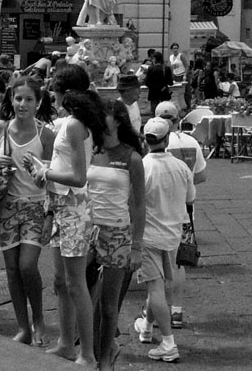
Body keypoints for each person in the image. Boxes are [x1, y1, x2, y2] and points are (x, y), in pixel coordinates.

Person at [26, 64, 105, 366]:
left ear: (65, 92)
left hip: (73, 207)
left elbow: (79, 176)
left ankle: (86, 352)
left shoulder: (73, 125)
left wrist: (45, 172)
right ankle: (66, 343)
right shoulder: (72, 122)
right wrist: (44, 168)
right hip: (61, 205)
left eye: (54, 88)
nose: (51, 94)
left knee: (75, 282)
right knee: (61, 281)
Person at [0, 75, 55, 347]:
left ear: (38, 102)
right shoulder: (1, 127)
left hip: (35, 206)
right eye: (18, 98)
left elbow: (52, 179)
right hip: (7, 205)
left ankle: (39, 319)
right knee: (12, 269)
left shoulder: (46, 134)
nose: (22, 104)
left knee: (27, 266)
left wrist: (50, 215)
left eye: (28, 99)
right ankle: (23, 326)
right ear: (11, 99)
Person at [88, 100, 146, 371]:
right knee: (82, 294)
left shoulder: (132, 158)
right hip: (89, 231)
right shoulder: (91, 150)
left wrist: (137, 246)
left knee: (109, 305)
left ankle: (104, 357)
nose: (100, 122)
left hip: (117, 233)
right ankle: (97, 349)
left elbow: (139, 205)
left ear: (119, 121)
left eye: (105, 117)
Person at [132, 116, 196, 364]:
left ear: (145, 140)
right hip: (172, 235)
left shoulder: (143, 167)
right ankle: (147, 327)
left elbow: (134, 203)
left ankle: (168, 343)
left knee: (154, 287)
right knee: (159, 286)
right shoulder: (181, 167)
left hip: (148, 235)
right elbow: (190, 198)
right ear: (167, 139)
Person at [155, 101, 208, 330]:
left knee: (155, 266)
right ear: (178, 119)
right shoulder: (191, 141)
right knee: (177, 264)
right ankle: (176, 310)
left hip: (158, 211)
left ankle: (154, 310)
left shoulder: (155, 145)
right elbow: (201, 175)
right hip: (184, 210)